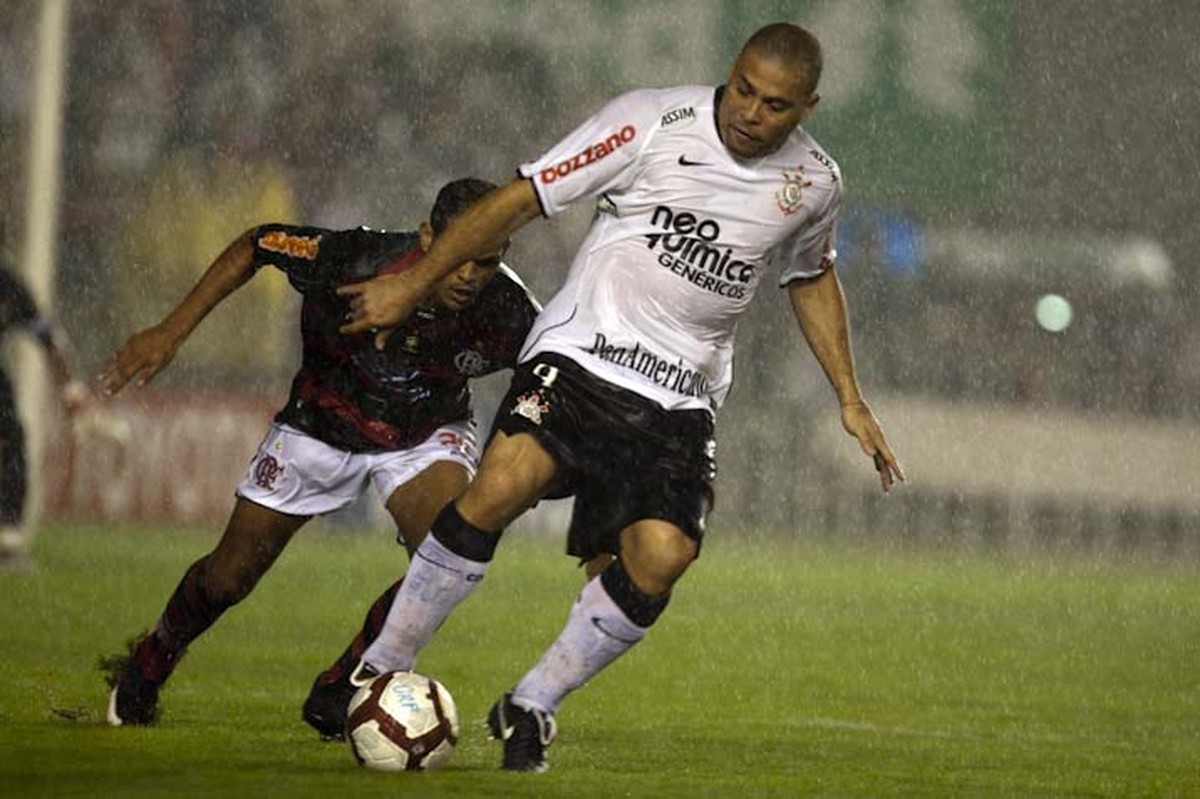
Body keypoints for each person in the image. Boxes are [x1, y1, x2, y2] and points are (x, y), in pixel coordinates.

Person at [336, 23, 905, 772]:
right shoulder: (647, 121)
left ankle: (530, 703)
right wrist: (412, 284)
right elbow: (520, 199)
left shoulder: (816, 185)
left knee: (662, 556)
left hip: (681, 396)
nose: (749, 112)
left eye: (774, 105)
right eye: (742, 89)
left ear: (807, 108)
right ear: (728, 75)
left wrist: (849, 395)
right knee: (502, 483)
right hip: (582, 355)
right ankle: (379, 666)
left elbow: (809, 276)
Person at [98, 177, 541, 728]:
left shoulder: (512, 309)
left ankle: (347, 681)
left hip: (423, 435)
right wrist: (170, 330)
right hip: (319, 424)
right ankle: (151, 659)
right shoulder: (354, 259)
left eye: (488, 262)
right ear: (429, 238)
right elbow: (257, 243)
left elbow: (558, 373)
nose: (471, 276)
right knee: (228, 578)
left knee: (450, 556)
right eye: (462, 259)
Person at [0, 263, 90, 569]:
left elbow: (47, 337)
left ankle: (8, 535)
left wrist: (71, 390)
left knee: (12, 438)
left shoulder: (9, 285)